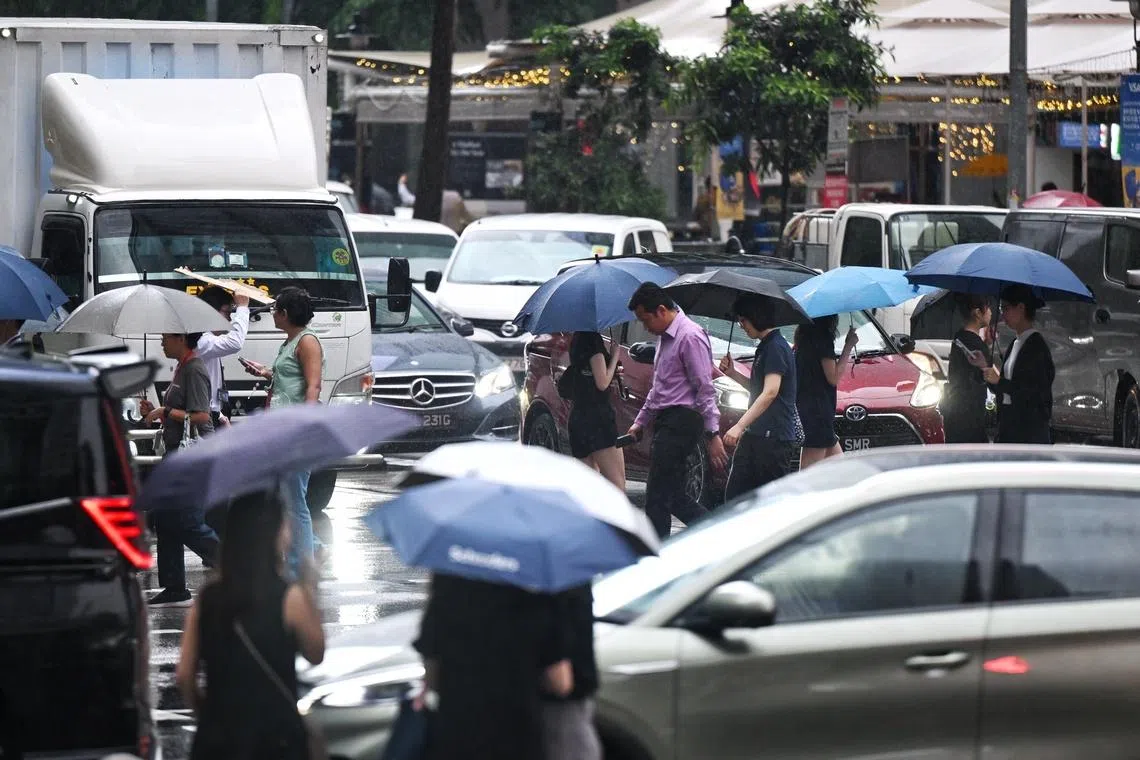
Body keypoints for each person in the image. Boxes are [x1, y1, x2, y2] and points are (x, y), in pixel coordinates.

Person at [176, 492, 325, 760]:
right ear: (272, 534)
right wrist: (310, 589)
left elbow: (185, 675)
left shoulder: (207, 599)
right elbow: (316, 653)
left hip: (218, 741)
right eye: (285, 525)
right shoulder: (290, 598)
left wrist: (209, 716)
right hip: (276, 739)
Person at [414, 574, 572, 760]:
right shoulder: (535, 597)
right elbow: (561, 683)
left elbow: (432, 678)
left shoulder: (447, 590)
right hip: (518, 736)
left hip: (458, 735)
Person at [625, 283, 727, 538]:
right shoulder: (664, 338)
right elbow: (660, 387)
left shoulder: (689, 336)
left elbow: (704, 387)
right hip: (667, 419)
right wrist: (640, 421)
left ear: (661, 310)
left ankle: (657, 553)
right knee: (672, 495)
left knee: (657, 496)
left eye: (646, 320)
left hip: (683, 421)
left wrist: (712, 433)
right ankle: (717, 534)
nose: (645, 327)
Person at [241, 287, 324, 577]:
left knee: (294, 499)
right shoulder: (289, 342)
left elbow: (313, 385)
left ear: (285, 314)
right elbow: (287, 378)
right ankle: (306, 548)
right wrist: (265, 373)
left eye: (275, 310)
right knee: (283, 495)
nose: (272, 315)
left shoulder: (308, 341)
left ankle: (300, 564)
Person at [143, 332, 219, 606]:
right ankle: (174, 586)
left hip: (193, 455)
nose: (162, 343)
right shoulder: (181, 367)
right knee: (165, 518)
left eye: (165, 338)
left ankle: (236, 567)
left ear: (181, 339)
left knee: (187, 520)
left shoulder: (195, 369)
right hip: (175, 454)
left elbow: (201, 415)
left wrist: (165, 412)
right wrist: (154, 410)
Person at [717, 295, 799, 500]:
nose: (742, 326)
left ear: (756, 317)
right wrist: (733, 374)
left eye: (743, 320)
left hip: (773, 439)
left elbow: (771, 392)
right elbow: (759, 389)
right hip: (757, 435)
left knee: (768, 503)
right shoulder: (765, 346)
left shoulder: (775, 347)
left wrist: (739, 426)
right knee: (737, 497)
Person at [970, 285, 1055, 444]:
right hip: (1010, 426)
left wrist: (999, 381)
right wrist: (986, 370)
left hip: (1028, 432)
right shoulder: (1016, 343)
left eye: (1005, 307)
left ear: (1021, 308)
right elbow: (1006, 389)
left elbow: (1032, 392)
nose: (1002, 314)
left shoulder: (1036, 347)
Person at [542, 584, 600, 760]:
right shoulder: (571, 576)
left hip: (558, 708)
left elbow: (560, 681)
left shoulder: (556, 590)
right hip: (571, 704)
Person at [794, 315, 858, 468]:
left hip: (810, 408)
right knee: (809, 473)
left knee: (840, 470)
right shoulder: (822, 340)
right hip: (818, 413)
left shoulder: (803, 336)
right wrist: (848, 345)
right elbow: (833, 377)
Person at [566, 331, 624, 491]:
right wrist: (614, 357)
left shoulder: (576, 339)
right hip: (598, 420)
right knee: (617, 486)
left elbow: (587, 375)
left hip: (578, 417)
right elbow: (602, 382)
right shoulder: (592, 340)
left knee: (589, 489)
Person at [194, 287, 250, 429]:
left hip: (213, 413)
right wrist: (242, 308)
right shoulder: (202, 341)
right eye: (227, 312)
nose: (230, 319)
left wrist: (219, 416)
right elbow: (235, 343)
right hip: (203, 416)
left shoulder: (207, 339)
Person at [942, 294, 992, 443]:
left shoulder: (960, 338)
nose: (990, 312)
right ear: (977, 313)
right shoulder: (974, 344)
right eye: (988, 307)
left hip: (955, 411)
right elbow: (984, 375)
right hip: (970, 416)